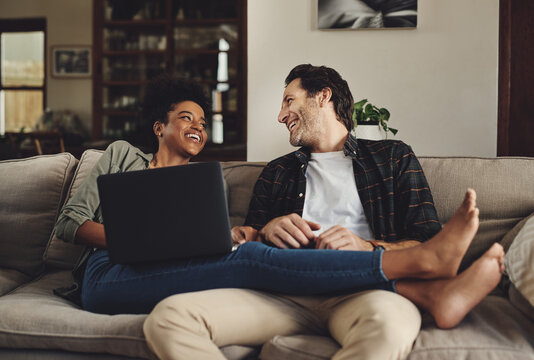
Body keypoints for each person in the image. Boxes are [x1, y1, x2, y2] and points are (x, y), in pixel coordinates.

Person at [142, 65, 505, 360]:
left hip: (365, 293)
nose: (281, 114)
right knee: (170, 318)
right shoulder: (277, 171)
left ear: (323, 96)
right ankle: (434, 296)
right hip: (282, 293)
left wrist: (367, 246)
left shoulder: (393, 157)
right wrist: (267, 227)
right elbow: (245, 241)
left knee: (388, 330)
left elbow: (425, 239)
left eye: (289, 100)